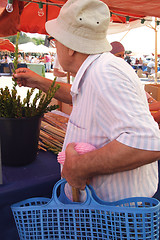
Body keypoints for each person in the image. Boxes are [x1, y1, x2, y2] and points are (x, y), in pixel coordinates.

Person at [13, 0, 160, 203]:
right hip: (108, 211)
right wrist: (39, 82)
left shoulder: (105, 73)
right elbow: (79, 95)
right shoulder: (97, 69)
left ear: (71, 47)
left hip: (116, 216)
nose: (56, 47)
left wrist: (81, 166)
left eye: (56, 41)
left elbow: (147, 143)